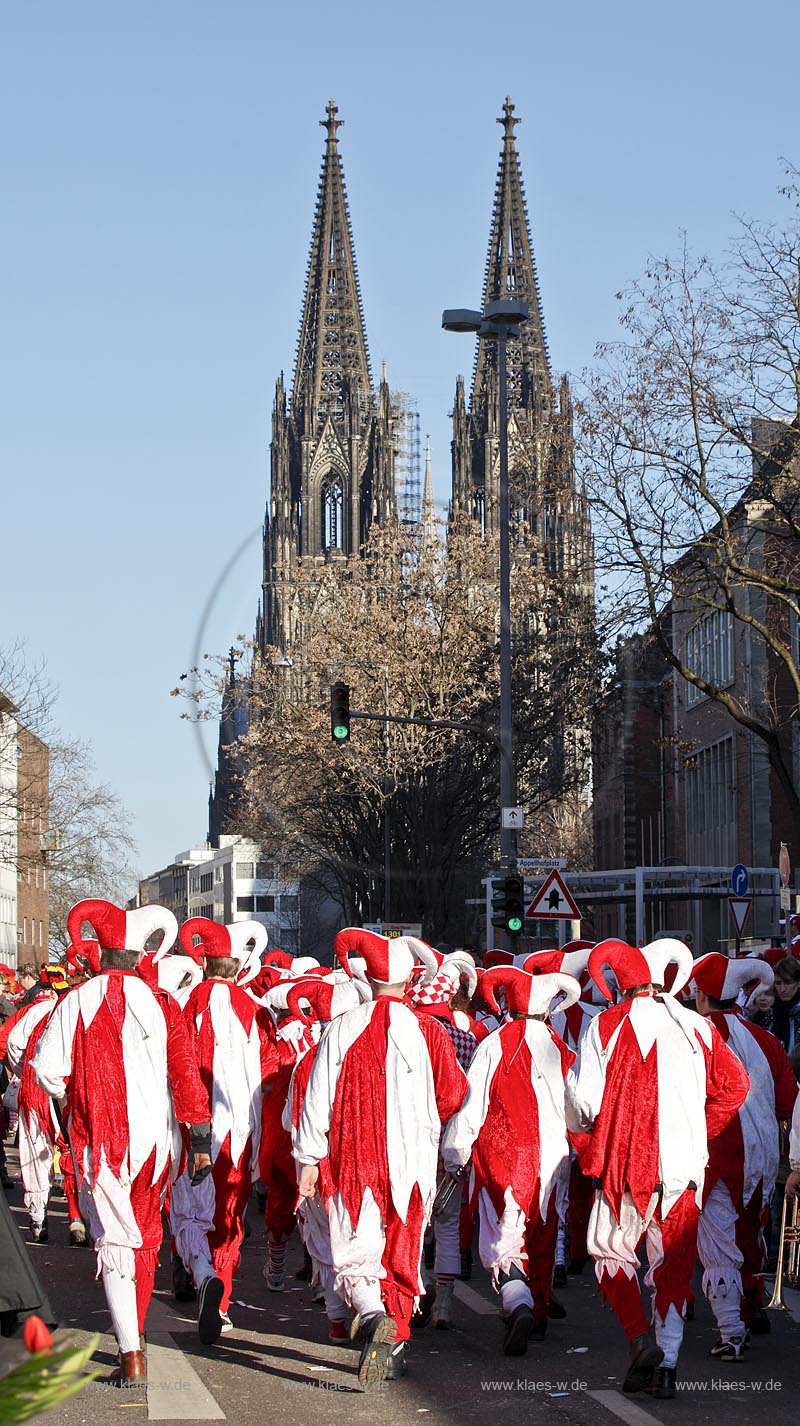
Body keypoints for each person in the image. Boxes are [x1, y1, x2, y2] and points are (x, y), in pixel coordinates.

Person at [32, 898, 213, 1387]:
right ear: (137, 956)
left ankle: (130, 1352)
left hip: (103, 1142)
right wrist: (199, 1136)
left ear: (102, 953)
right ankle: (136, 1329)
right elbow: (186, 1076)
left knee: (113, 1238)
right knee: (146, 1236)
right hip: (156, 1144)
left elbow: (47, 1072)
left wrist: (77, 1092)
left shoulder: (75, 1001)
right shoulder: (163, 1003)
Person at [565, 938, 750, 1399]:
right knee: (673, 1264)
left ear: (623, 985)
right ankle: (666, 1366)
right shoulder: (698, 1026)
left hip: (626, 1166)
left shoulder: (606, 1025)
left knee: (609, 1250)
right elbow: (736, 1085)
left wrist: (585, 1134)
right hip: (686, 1167)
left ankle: (638, 1336)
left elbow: (581, 1101)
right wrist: (696, 1131)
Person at [294, 928, 468, 1389]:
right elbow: (454, 1095)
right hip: (413, 1162)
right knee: (403, 1251)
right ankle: (395, 1347)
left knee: (357, 1249)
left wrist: (309, 1157)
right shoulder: (430, 1030)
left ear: (368, 980)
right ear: (409, 982)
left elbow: (317, 1096)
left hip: (355, 1158)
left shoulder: (342, 1026)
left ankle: (371, 1318)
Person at [442, 968, 580, 1354]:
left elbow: (473, 1104)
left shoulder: (495, 1043)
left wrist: (455, 1153)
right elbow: (577, 1106)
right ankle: (535, 1312)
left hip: (503, 1156)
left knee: (503, 1239)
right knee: (542, 1232)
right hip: (553, 1157)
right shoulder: (560, 1046)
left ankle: (517, 1301)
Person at [691, 953, 797, 1358]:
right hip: (764, 1152)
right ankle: (752, 1304)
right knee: (751, 1230)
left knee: (717, 1238)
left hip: (713, 1149)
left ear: (702, 996)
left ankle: (732, 1329)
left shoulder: (690, 1036)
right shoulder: (767, 1040)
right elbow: (789, 1102)